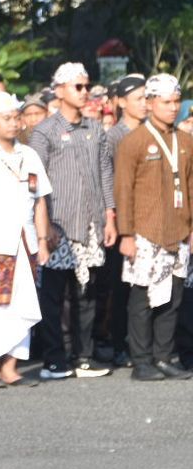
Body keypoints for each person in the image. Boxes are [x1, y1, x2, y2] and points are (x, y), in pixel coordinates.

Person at [29, 61, 115, 380]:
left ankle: (84, 356)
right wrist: (43, 225)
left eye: (86, 86)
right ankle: (54, 358)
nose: (84, 92)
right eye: (78, 86)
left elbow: (106, 173)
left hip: (90, 222)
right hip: (57, 224)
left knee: (87, 293)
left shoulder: (95, 129)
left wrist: (110, 215)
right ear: (60, 90)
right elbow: (33, 180)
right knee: (54, 295)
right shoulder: (45, 131)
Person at [0, 92, 52, 387]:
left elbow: (40, 200)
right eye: (7, 118)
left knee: (22, 304)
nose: (14, 124)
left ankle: (12, 366)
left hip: (25, 241)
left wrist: (42, 241)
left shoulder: (29, 155)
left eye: (16, 118)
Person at [116, 74, 193, 381]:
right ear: (149, 104)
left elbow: (190, 186)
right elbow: (123, 189)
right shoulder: (133, 141)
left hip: (178, 231)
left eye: (176, 101)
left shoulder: (186, 140)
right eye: (166, 102)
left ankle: (163, 356)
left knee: (173, 297)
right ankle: (142, 360)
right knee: (142, 298)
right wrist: (125, 234)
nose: (173, 108)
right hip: (144, 232)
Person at [101, 74, 149, 366]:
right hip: (123, 219)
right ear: (120, 102)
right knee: (121, 286)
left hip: (150, 218)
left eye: (147, 98)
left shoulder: (152, 132)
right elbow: (109, 180)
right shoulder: (113, 136)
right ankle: (119, 343)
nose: (145, 104)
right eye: (139, 98)